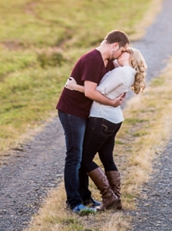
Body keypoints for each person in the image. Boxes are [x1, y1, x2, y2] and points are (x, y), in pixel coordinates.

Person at [55, 30, 130, 215]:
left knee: (82, 156)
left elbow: (107, 87)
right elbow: (90, 92)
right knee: (75, 156)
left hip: (87, 113)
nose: (121, 55)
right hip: (72, 112)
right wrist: (112, 102)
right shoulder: (93, 59)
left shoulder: (108, 62)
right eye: (122, 50)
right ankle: (73, 203)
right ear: (115, 46)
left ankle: (86, 198)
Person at [66, 47, 148, 211]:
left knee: (84, 159)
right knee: (107, 158)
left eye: (124, 51)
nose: (119, 53)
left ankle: (109, 197)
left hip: (102, 118)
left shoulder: (123, 72)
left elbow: (97, 92)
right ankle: (116, 199)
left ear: (130, 56)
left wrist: (75, 87)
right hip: (113, 118)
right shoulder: (128, 72)